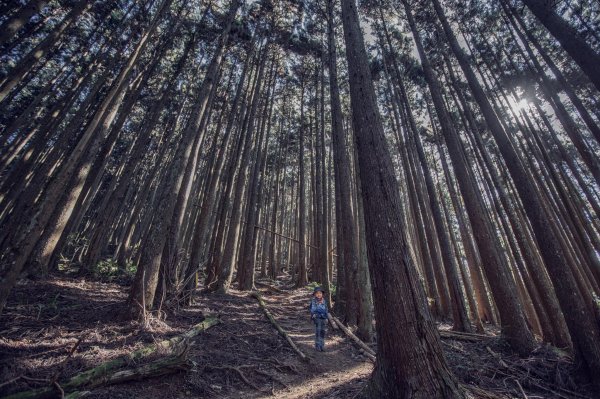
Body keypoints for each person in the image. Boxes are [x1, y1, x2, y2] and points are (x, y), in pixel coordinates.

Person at [309, 286, 328, 351]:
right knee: (318, 331)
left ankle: (322, 345)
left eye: (320, 293)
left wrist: (326, 317)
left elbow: (326, 309)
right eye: (317, 293)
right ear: (314, 294)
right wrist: (315, 313)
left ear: (322, 294)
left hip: (323, 318)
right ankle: (317, 346)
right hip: (317, 317)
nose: (319, 294)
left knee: (323, 331)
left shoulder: (324, 301)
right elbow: (313, 309)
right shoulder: (314, 301)